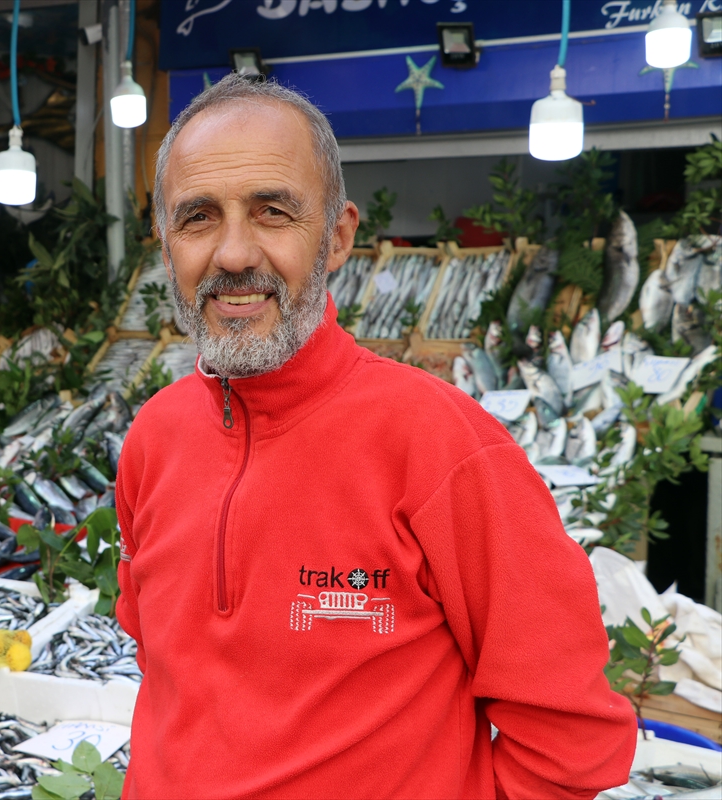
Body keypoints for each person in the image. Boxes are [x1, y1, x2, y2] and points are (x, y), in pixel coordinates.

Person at [114, 75, 636, 798]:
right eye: (199, 217)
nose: (234, 254)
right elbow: (163, 660)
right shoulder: (153, 439)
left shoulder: (446, 449)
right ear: (166, 247)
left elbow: (569, 741)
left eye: (272, 212)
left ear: (337, 238)